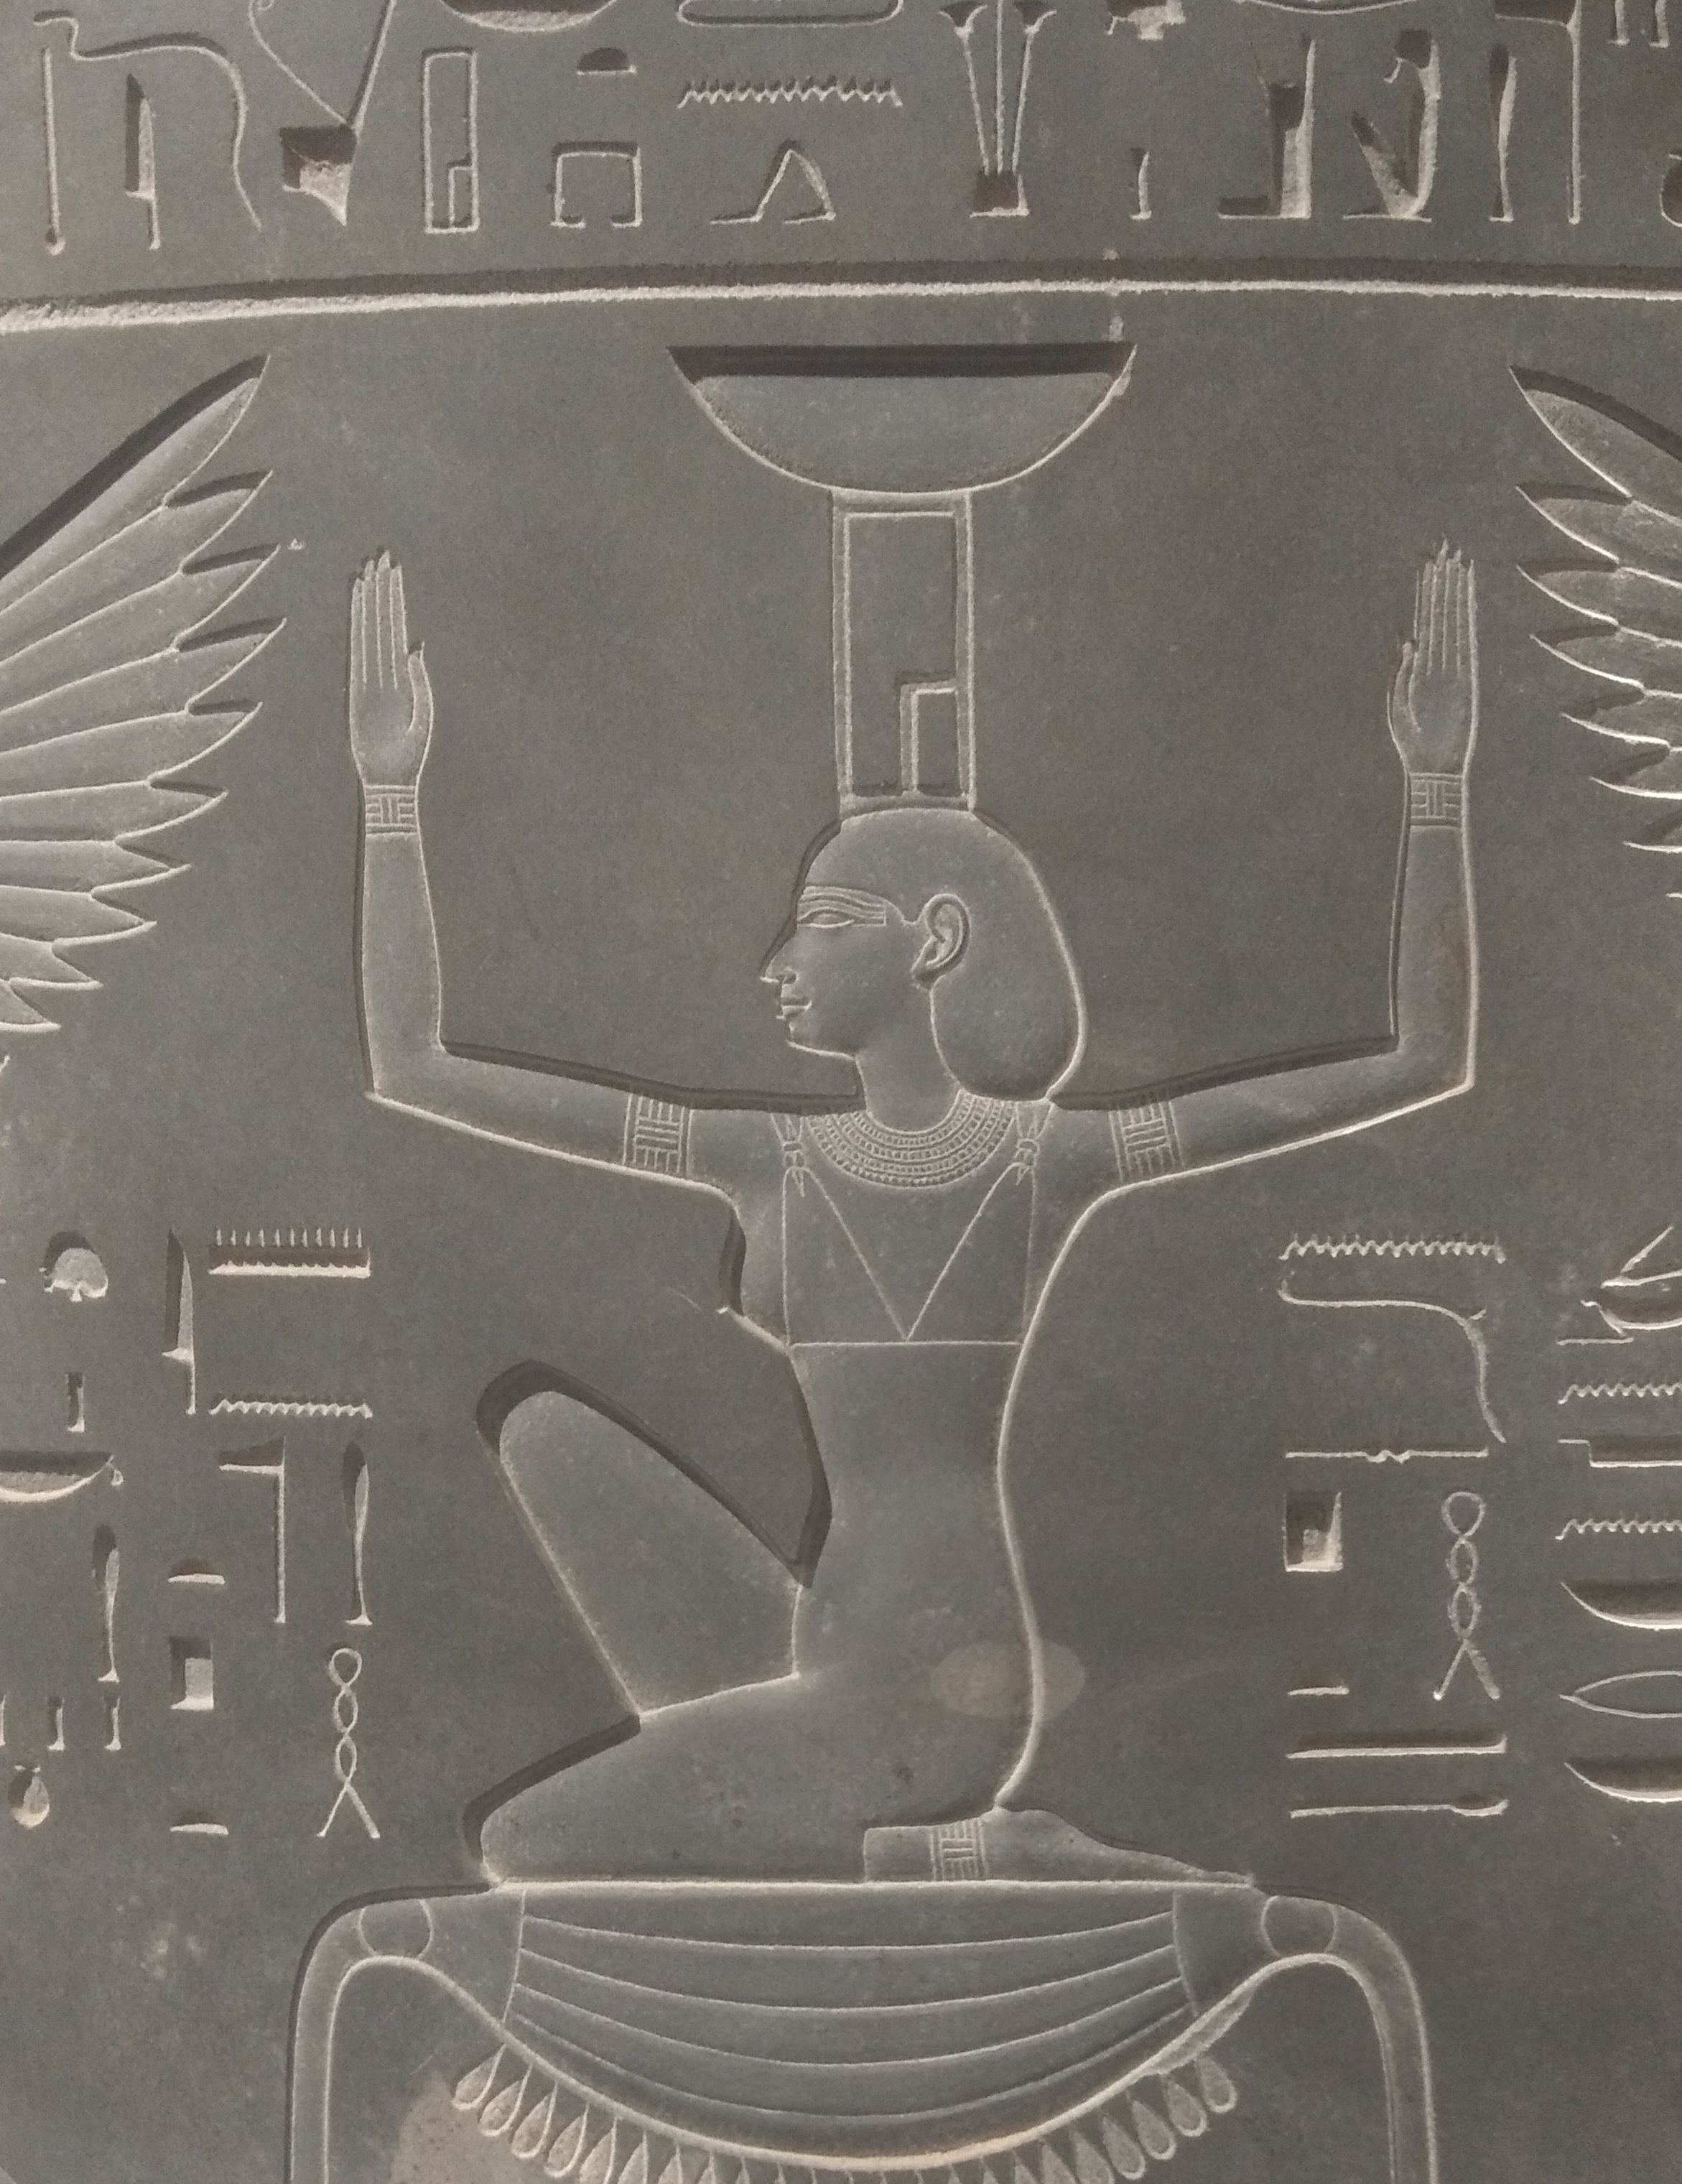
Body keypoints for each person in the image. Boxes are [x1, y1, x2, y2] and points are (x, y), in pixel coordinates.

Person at [347, 544, 1478, 1879]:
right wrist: (388, 793)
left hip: (932, 1697)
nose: (777, 961)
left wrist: (1436, 785)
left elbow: (1420, 1064)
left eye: (827, 923)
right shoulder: (772, 1157)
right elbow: (414, 1071)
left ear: (934, 942)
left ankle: (952, 1844)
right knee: (547, 1437)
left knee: (521, 1845)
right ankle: (903, 1824)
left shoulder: (1045, 1162)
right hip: (809, 1647)